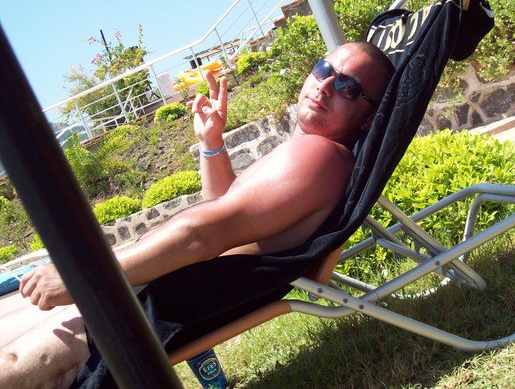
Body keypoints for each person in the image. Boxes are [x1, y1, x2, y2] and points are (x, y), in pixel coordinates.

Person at [0, 41, 394, 388]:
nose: (325, 85)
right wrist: (212, 143)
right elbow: (226, 207)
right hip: (155, 284)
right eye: (324, 69)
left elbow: (204, 235)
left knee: (12, 363)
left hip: (153, 301)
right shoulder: (312, 153)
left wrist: (87, 279)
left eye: (348, 87)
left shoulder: (319, 155)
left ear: (368, 118)